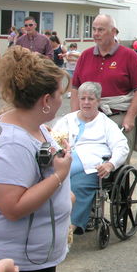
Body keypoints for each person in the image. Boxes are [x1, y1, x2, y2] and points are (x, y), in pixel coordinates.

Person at [0, 46, 72, 272]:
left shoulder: (37, 129)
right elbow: (12, 207)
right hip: (14, 266)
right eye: (60, 93)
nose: (64, 99)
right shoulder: (12, 144)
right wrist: (59, 176)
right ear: (46, 100)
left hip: (38, 260)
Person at [52, 82, 129, 235]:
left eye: (91, 99)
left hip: (90, 167)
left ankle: (69, 231)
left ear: (98, 101)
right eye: (83, 98)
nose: (86, 102)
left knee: (78, 185)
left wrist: (110, 164)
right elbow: (52, 138)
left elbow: (122, 147)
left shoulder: (106, 123)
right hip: (65, 162)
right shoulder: (68, 119)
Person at [71, 14, 137, 162]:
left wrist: (130, 117)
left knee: (118, 164)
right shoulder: (85, 56)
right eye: (93, 29)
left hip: (117, 117)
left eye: (101, 30)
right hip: (89, 118)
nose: (95, 33)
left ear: (114, 32)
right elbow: (75, 87)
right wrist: (74, 116)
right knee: (87, 161)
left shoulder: (129, 56)